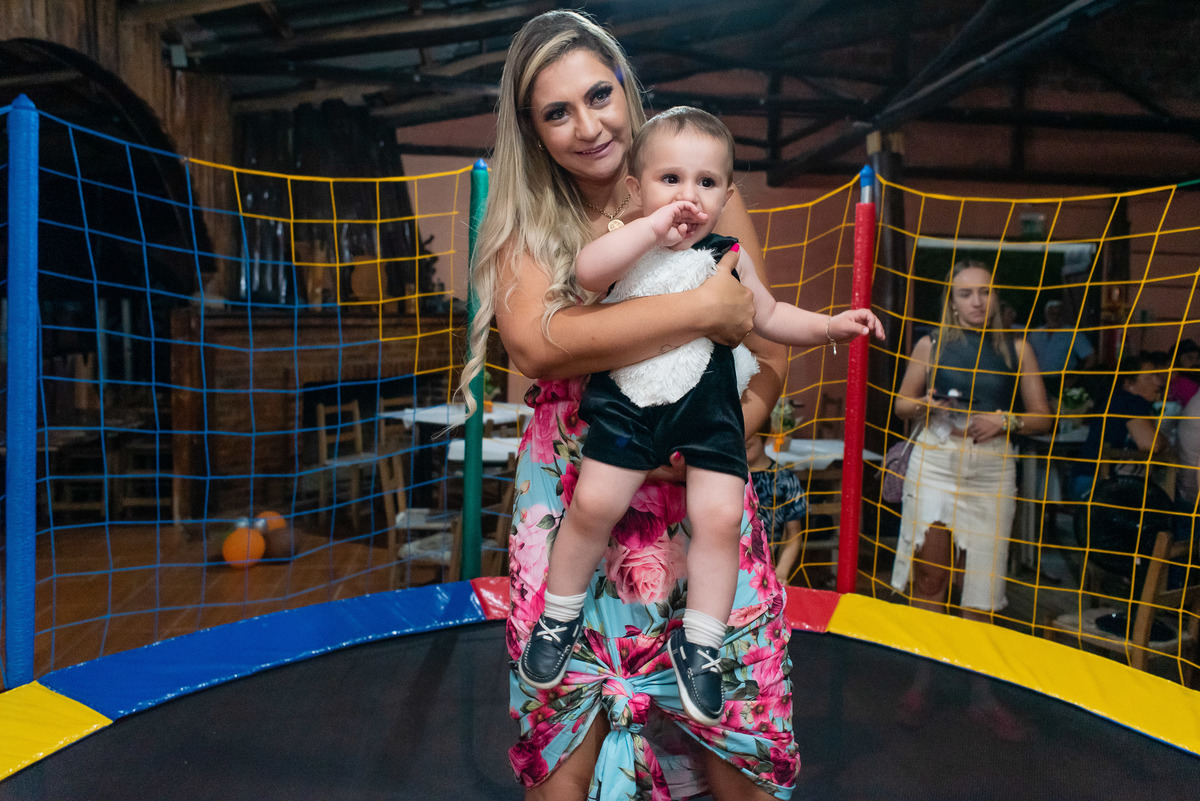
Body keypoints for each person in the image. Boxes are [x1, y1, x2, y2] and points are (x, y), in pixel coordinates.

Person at [460, 11, 800, 799]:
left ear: (627, 87)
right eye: (557, 112)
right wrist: (699, 314)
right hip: (580, 497)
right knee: (565, 738)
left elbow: (771, 346)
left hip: (698, 496)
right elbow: (539, 347)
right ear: (533, 131)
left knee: (734, 745)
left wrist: (722, 437)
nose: (588, 125)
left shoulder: (703, 186)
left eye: (599, 95)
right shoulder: (526, 223)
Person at [515, 107, 883, 726]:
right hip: (631, 411)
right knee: (594, 506)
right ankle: (559, 613)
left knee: (720, 518)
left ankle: (703, 642)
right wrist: (649, 227)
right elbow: (586, 273)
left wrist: (828, 328)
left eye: (706, 184)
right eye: (670, 181)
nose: (688, 196)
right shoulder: (626, 245)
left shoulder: (729, 256)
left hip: (709, 416)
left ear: (726, 196)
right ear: (636, 189)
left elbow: (768, 316)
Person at [890, 260, 1052, 737]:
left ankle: (981, 695)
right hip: (937, 460)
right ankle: (923, 682)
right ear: (952, 300)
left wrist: (1008, 420)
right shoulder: (932, 342)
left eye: (984, 292)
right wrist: (928, 404)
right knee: (932, 579)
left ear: (995, 296)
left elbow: (1043, 417)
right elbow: (901, 404)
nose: (977, 301)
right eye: (966, 294)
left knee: (980, 589)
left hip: (992, 469)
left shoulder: (1016, 347)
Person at [1071, 352, 1168, 500]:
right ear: (1129, 384)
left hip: (1083, 480)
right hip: (1100, 486)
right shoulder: (1131, 401)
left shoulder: (1113, 399)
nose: (1159, 383)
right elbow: (1151, 445)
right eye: (1149, 377)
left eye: (1157, 377)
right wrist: (1164, 440)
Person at [746, 431, 810, 585]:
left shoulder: (784, 478)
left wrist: (782, 570)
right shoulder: (731, 477)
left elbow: (794, 535)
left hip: (768, 566)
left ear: (765, 438)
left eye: (748, 445)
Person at [1027, 299, 1095, 398]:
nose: (1055, 316)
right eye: (1052, 313)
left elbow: (1091, 357)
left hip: (1064, 382)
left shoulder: (1072, 333)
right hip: (1038, 380)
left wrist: (1077, 378)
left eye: (1058, 313)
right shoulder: (1035, 334)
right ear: (1046, 314)